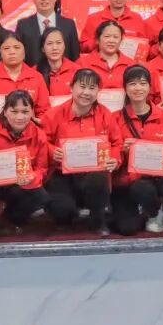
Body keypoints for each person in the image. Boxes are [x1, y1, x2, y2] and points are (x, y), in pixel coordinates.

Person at [43, 69, 121, 235]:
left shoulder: (105, 115)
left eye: (92, 88)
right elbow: (42, 142)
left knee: (100, 177)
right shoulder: (54, 114)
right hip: (61, 173)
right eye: (82, 86)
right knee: (62, 210)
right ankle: (67, 215)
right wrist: (52, 151)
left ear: (98, 91)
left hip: (92, 174)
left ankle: (98, 219)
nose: (86, 92)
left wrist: (115, 159)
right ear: (71, 87)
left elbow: (116, 143)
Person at [0, 90, 50, 243]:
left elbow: (42, 169)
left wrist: (32, 177)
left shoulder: (39, 135)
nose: (20, 117)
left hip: (17, 184)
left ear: (32, 112)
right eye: (14, 111)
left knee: (41, 196)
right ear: (5, 111)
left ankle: (8, 220)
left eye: (25, 111)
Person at [110, 65, 163, 236]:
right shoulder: (115, 118)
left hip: (155, 179)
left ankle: (155, 210)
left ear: (149, 87)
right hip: (126, 180)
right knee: (127, 228)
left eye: (142, 83)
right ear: (125, 88)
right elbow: (111, 150)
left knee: (143, 188)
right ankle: (142, 210)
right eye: (132, 84)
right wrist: (122, 150)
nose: (138, 88)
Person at [0, 32, 51, 121]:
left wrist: (34, 123)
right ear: (0, 53)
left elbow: (44, 110)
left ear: (24, 51)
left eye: (17, 47)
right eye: (6, 48)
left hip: (30, 128)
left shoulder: (36, 77)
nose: (12, 52)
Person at [15, 0, 80, 66]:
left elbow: (75, 56)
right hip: (33, 72)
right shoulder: (23, 25)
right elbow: (19, 55)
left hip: (63, 72)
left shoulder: (69, 24)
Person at [79, 0, 148, 54]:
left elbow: (144, 48)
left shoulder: (137, 19)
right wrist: (100, 40)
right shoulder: (93, 18)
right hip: (100, 61)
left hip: (128, 61)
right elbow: (82, 48)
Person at [77, 21, 134, 90]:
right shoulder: (82, 63)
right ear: (97, 40)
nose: (111, 40)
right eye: (107, 36)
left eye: (116, 37)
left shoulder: (131, 65)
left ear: (121, 40)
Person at [36, 27, 80, 99]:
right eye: (49, 43)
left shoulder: (77, 71)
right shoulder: (35, 73)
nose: (55, 48)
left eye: (58, 43)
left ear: (64, 46)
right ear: (43, 48)